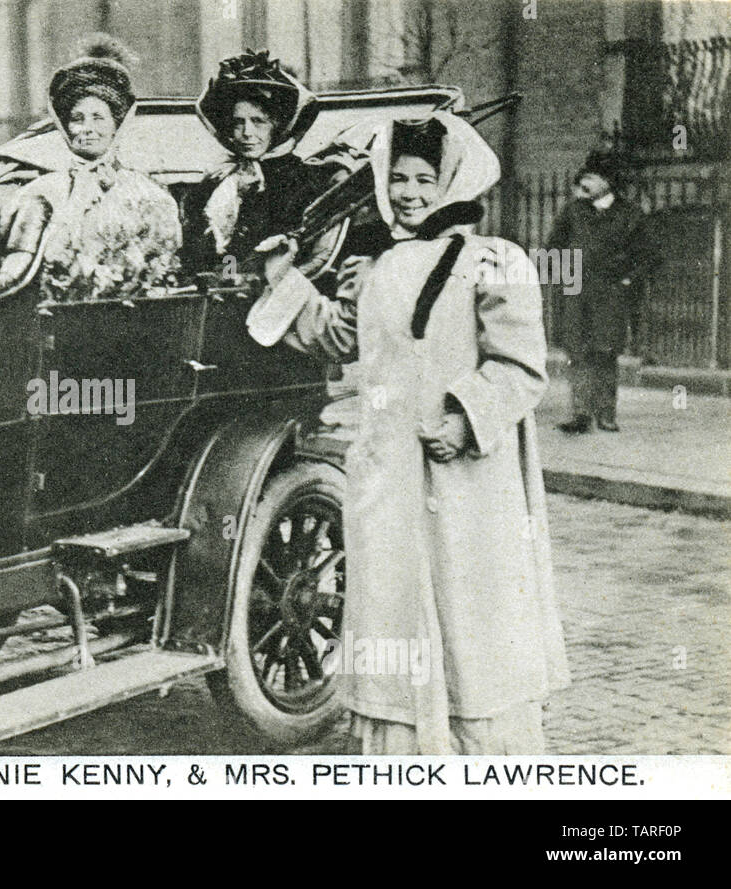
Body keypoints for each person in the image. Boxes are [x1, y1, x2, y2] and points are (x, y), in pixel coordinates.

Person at [259, 113, 570, 754]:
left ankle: (476, 753)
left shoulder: (494, 260)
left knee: (467, 612)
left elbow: (520, 364)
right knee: (393, 612)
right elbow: (341, 338)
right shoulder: (376, 267)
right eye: (397, 178)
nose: (408, 193)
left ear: (452, 180)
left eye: (424, 179)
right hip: (388, 473)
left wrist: (464, 417)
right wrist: (285, 280)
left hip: (464, 475)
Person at [0, 35, 181, 303]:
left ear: (117, 124)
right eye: (77, 119)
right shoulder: (43, 192)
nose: (87, 128)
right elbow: (19, 266)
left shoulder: (150, 195)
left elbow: (162, 265)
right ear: (66, 128)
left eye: (98, 117)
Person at [180, 50, 344, 276]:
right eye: (238, 123)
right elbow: (202, 254)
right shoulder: (216, 180)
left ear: (277, 126)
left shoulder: (301, 181)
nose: (247, 133)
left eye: (258, 122)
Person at [548, 152, 651, 433]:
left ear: (607, 182)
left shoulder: (630, 214)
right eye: (583, 177)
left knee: (605, 353)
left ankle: (606, 414)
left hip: (611, 294)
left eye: (590, 177)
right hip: (576, 292)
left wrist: (628, 280)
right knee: (577, 352)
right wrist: (564, 281)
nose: (584, 182)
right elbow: (553, 247)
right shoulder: (573, 211)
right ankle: (581, 415)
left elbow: (647, 256)